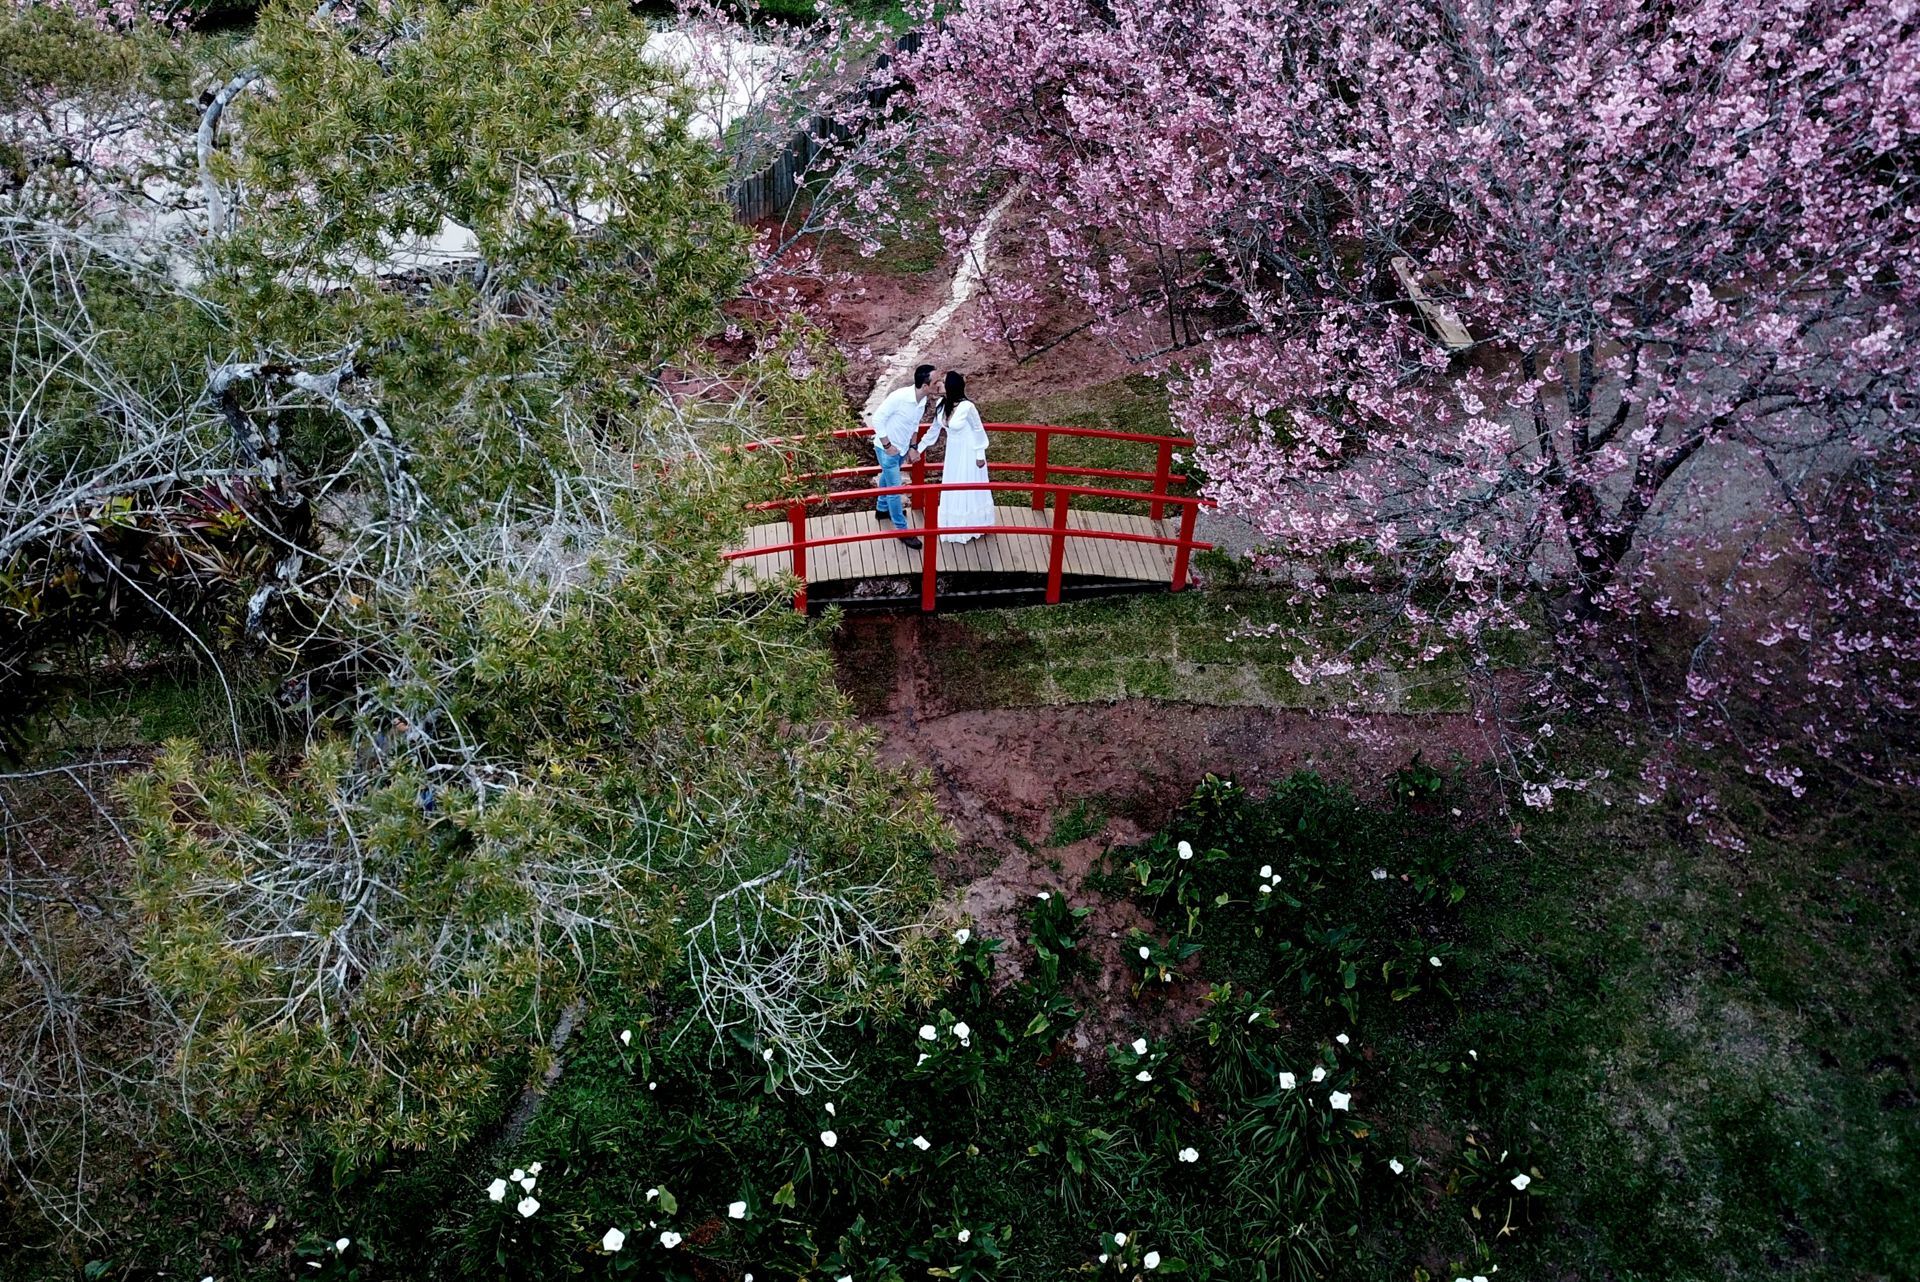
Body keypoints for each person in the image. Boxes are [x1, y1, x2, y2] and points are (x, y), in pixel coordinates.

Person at [870, 364, 940, 550]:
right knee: (895, 490)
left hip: (900, 449)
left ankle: (881, 509)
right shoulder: (900, 397)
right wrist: (887, 445)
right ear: (925, 386)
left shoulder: (921, 400)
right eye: (936, 381)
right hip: (888, 450)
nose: (939, 384)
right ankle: (902, 531)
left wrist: (913, 447)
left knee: (887, 478)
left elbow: (914, 425)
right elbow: (877, 419)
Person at [933, 371, 993, 544]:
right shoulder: (941, 404)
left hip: (968, 451)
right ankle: (953, 524)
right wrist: (919, 447)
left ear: (951, 386)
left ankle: (972, 524)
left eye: (943, 382)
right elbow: (935, 429)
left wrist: (980, 454)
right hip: (953, 451)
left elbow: (977, 429)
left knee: (967, 484)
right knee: (952, 483)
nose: (939, 384)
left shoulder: (967, 407)